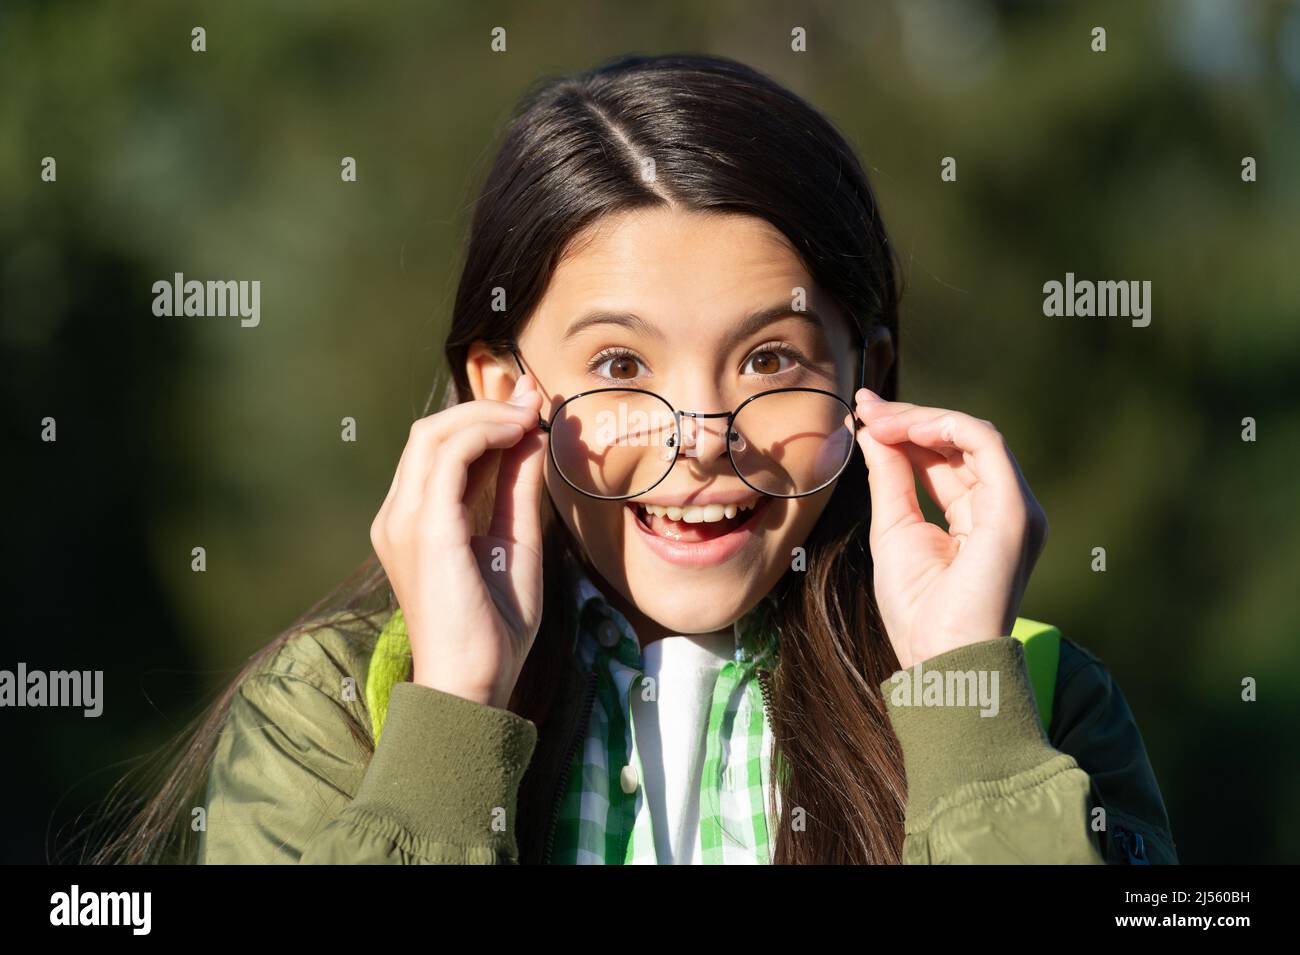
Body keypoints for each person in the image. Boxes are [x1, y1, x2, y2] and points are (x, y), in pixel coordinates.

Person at [100, 52, 1177, 865]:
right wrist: (453, 719)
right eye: (619, 361)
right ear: (502, 387)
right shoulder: (332, 713)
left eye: (768, 358)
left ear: (868, 381)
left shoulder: (1036, 701)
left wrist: (964, 713)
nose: (702, 435)